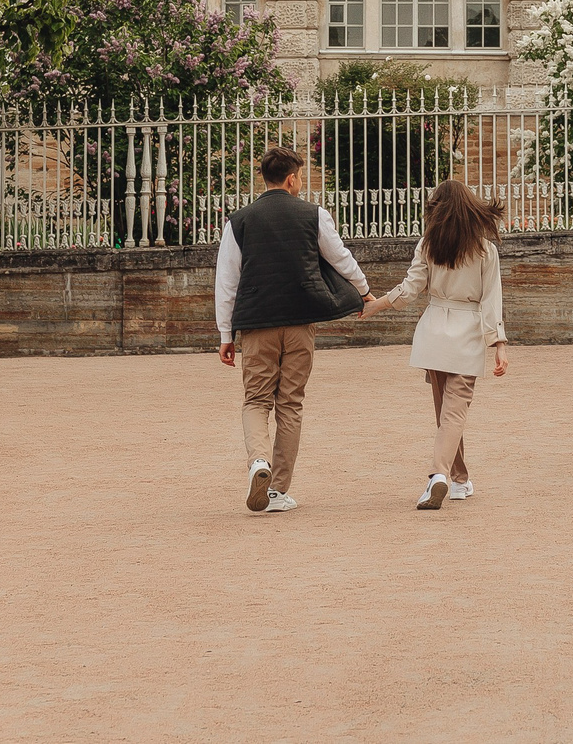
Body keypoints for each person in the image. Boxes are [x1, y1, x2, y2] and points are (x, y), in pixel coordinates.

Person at [216, 144, 370, 514]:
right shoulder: (314, 214)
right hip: (300, 320)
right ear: (291, 178)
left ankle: (258, 462)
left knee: (256, 400)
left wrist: (225, 335)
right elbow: (340, 258)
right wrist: (364, 291)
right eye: (301, 176)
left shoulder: (238, 221)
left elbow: (227, 281)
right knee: (290, 404)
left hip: (256, 324)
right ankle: (277, 492)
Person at [363, 177, 507, 510]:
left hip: (433, 334)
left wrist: (375, 305)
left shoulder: (428, 245)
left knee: (446, 414)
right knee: (454, 413)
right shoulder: (486, 250)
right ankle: (439, 476)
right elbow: (491, 301)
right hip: (467, 333)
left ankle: (458, 480)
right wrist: (498, 343)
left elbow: (409, 290)